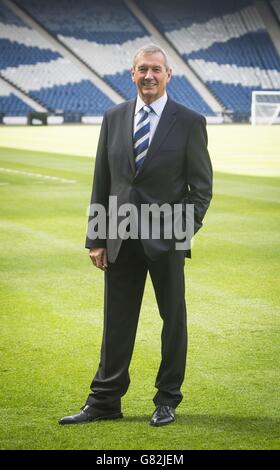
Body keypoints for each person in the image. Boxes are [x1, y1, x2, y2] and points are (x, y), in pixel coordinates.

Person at [59, 44, 212, 427]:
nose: (149, 75)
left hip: (166, 241)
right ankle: (105, 401)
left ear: (168, 75)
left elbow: (202, 189)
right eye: (142, 69)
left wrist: (179, 234)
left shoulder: (190, 121)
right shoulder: (113, 117)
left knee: (172, 320)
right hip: (119, 238)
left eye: (156, 69)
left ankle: (167, 400)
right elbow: (102, 181)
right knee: (116, 322)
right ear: (132, 73)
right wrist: (96, 237)